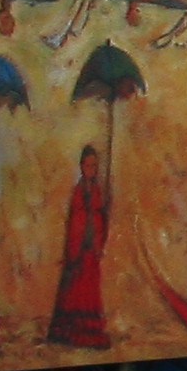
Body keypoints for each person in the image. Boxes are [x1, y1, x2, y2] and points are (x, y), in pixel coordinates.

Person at [46, 140, 111, 346]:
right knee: (73, 290)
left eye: (95, 166)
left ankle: (89, 332)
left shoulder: (97, 191)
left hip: (91, 250)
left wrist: (99, 236)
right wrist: (76, 246)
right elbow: (75, 220)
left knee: (89, 291)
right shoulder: (78, 191)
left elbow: (100, 216)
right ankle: (68, 332)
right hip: (78, 250)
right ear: (82, 166)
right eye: (89, 165)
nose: (92, 169)